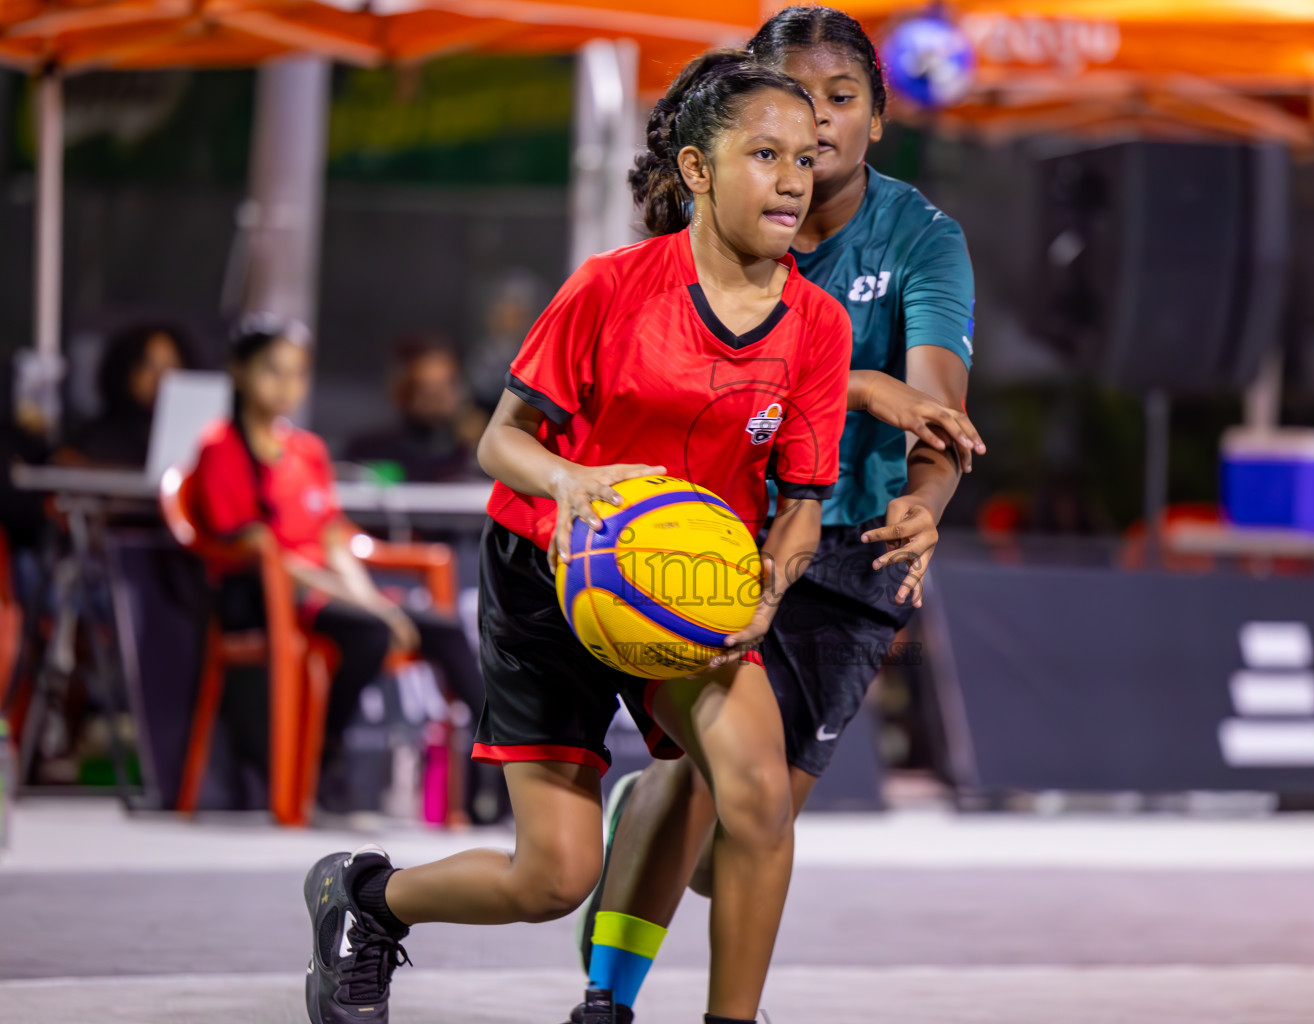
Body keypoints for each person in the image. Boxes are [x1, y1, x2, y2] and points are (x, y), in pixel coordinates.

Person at [301, 51, 853, 1024]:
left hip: (684, 580)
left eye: (804, 158)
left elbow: (802, 495)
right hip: (548, 569)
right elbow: (498, 440)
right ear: (695, 169)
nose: (791, 178)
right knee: (551, 879)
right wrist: (574, 482)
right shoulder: (610, 288)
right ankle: (365, 898)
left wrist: (776, 575)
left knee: (759, 795)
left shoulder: (816, 325)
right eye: (764, 154)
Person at [569, 9, 984, 1021]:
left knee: (737, 845)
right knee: (719, 787)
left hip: (858, 558)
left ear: (878, 119)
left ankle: (652, 807)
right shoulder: (727, 217)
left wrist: (924, 506)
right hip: (732, 533)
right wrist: (864, 385)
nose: (822, 125)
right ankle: (605, 1002)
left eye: (843, 101)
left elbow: (939, 412)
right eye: (800, 103)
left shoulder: (924, 239)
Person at [186, 315, 484, 813]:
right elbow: (261, 550)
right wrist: (373, 610)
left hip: (333, 594)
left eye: (297, 373)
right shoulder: (219, 448)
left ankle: (493, 772)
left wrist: (374, 601)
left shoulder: (308, 450)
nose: (286, 386)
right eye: (272, 371)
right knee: (369, 632)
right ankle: (324, 757)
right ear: (239, 372)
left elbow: (333, 538)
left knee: (442, 627)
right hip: (261, 593)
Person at [343, 333, 482, 483]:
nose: (434, 400)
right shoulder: (367, 452)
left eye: (443, 387)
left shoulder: (473, 457)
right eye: (424, 388)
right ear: (401, 388)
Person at [59, 320, 197, 468]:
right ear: (125, 371)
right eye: (148, 366)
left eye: (171, 365)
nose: (161, 377)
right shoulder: (94, 442)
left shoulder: (198, 438)